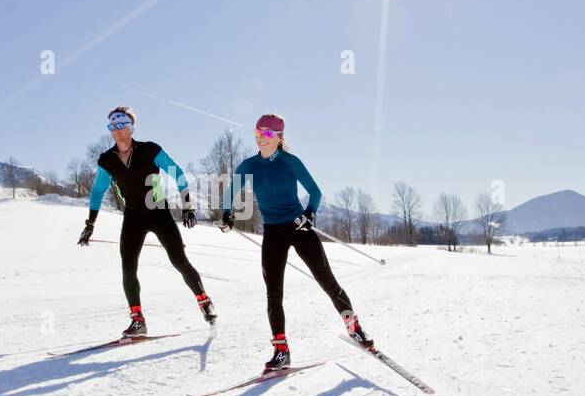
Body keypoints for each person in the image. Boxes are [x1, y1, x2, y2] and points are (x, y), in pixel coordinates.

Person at [221, 113, 371, 371]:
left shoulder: (290, 162)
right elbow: (232, 190)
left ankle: (353, 326)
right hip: (272, 232)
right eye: (258, 133)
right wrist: (226, 213)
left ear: (279, 138)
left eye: (268, 134)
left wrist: (310, 213)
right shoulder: (249, 165)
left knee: (327, 281)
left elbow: (315, 192)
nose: (262, 139)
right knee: (273, 293)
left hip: (298, 227)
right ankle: (281, 350)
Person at [78, 106, 217, 336]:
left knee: (179, 260)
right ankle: (137, 320)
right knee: (128, 266)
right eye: (112, 126)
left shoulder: (150, 150)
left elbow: (178, 173)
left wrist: (188, 206)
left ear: (132, 127)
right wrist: (90, 224)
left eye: (121, 125)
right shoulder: (107, 160)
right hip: (133, 216)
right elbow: (98, 191)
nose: (117, 130)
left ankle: (204, 301)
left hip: (158, 211)